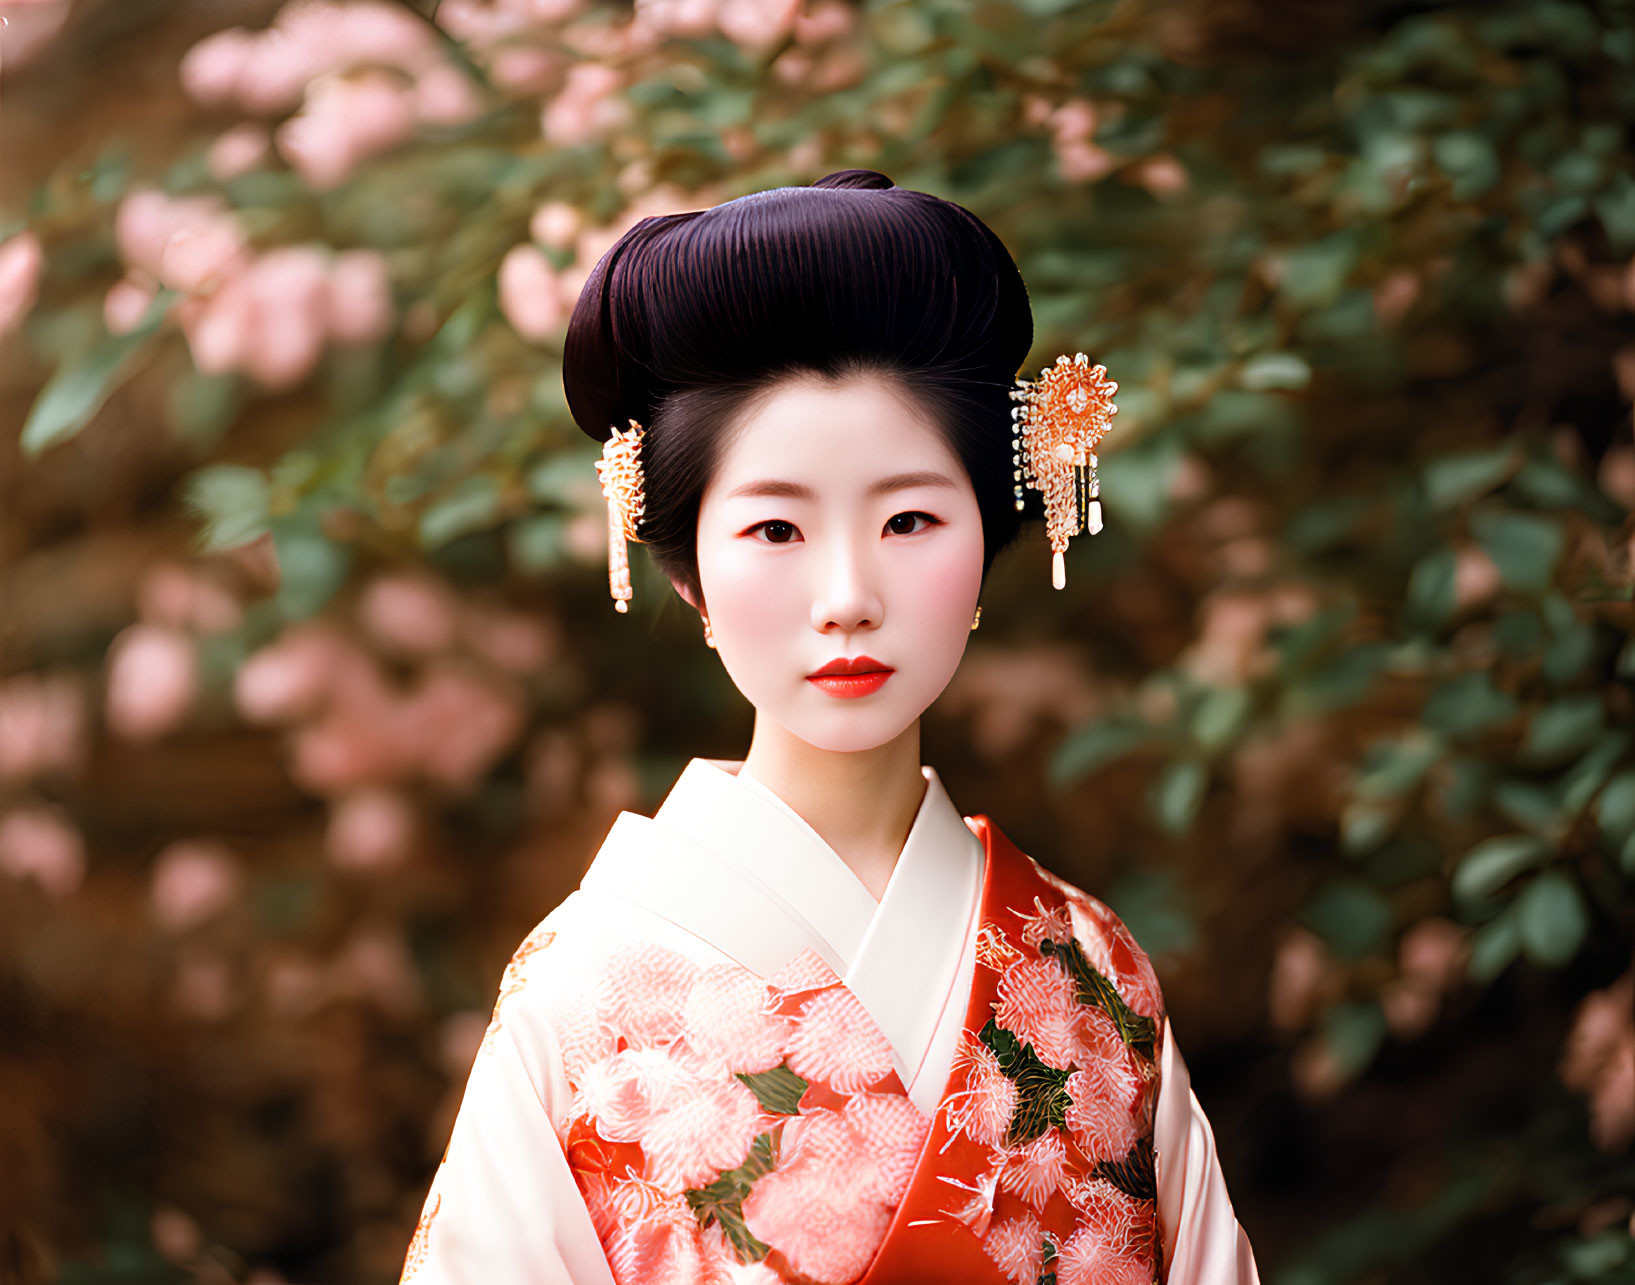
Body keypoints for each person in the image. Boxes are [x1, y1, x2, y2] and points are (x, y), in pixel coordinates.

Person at [398, 170, 1260, 1285]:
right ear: (688, 572)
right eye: (774, 528)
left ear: (989, 537)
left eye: (909, 518)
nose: (847, 592)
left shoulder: (1089, 970)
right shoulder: (585, 995)